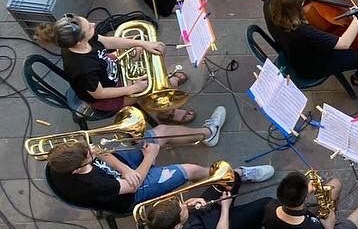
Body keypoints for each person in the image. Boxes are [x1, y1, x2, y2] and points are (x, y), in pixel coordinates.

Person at [35, 14, 220, 139]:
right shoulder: (80, 67)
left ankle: (165, 81)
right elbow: (98, 94)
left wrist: (141, 43)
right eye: (89, 26)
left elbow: (107, 42)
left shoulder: (83, 42)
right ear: (80, 41)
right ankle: (165, 112)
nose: (93, 24)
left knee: (146, 53)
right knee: (155, 89)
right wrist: (133, 88)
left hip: (110, 70)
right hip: (107, 96)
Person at [46, 139, 267, 213]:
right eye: (89, 157)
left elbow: (99, 151)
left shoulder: (63, 160)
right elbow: (132, 186)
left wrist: (125, 168)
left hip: (124, 174)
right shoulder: (94, 185)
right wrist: (148, 159)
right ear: (76, 169)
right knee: (188, 169)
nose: (92, 153)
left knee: (154, 137)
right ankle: (231, 175)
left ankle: (206, 134)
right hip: (128, 194)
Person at [262, 0, 358, 92]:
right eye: (302, 2)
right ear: (296, 8)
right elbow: (344, 43)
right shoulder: (303, 31)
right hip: (311, 65)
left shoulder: (269, 4)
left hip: (293, 51)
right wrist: (357, 17)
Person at [138, 182, 272, 229]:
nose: (184, 205)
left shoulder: (156, 219)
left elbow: (181, 210)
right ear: (177, 226)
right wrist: (225, 207)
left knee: (228, 180)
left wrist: (191, 204)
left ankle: (240, 175)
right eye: (182, 208)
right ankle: (251, 223)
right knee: (267, 203)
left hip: (200, 217)